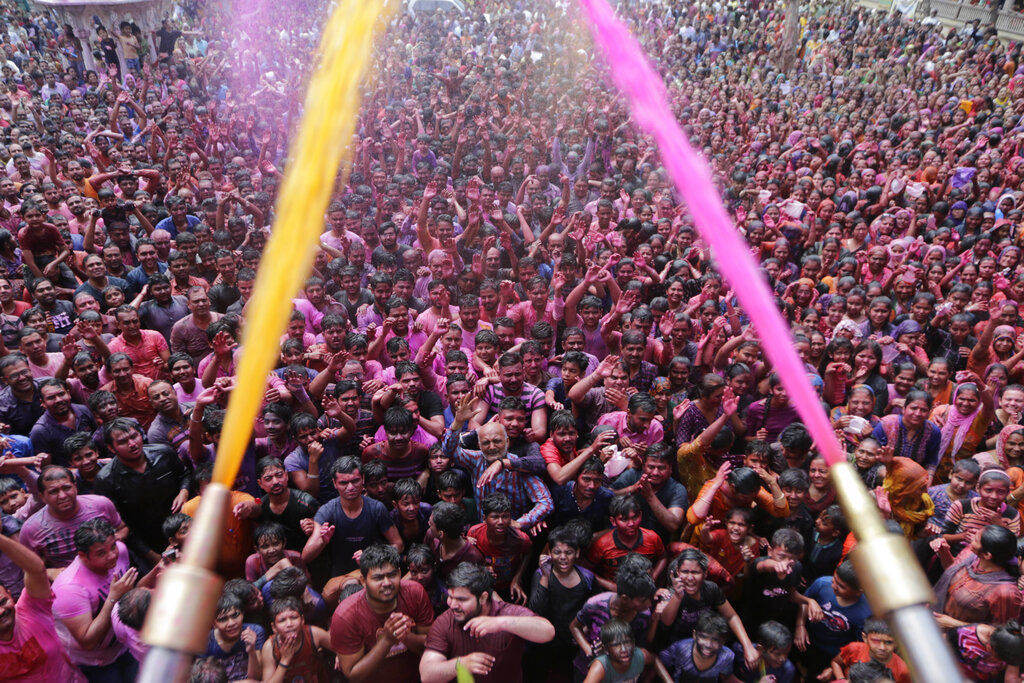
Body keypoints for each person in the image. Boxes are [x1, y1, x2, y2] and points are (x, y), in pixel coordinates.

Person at [419, 561, 555, 683]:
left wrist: (501, 623)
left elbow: (548, 632)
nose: (452, 605)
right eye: (450, 597)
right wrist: (460, 664)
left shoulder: (507, 613)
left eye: (461, 599)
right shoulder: (445, 621)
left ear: (483, 598)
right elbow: (427, 675)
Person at [332, 544, 434, 682]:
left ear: (399, 573)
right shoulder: (346, 616)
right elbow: (353, 675)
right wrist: (386, 641)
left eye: (392, 575)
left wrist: (405, 635)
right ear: (363, 581)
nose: (386, 583)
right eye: (378, 578)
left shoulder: (415, 592)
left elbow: (432, 647)